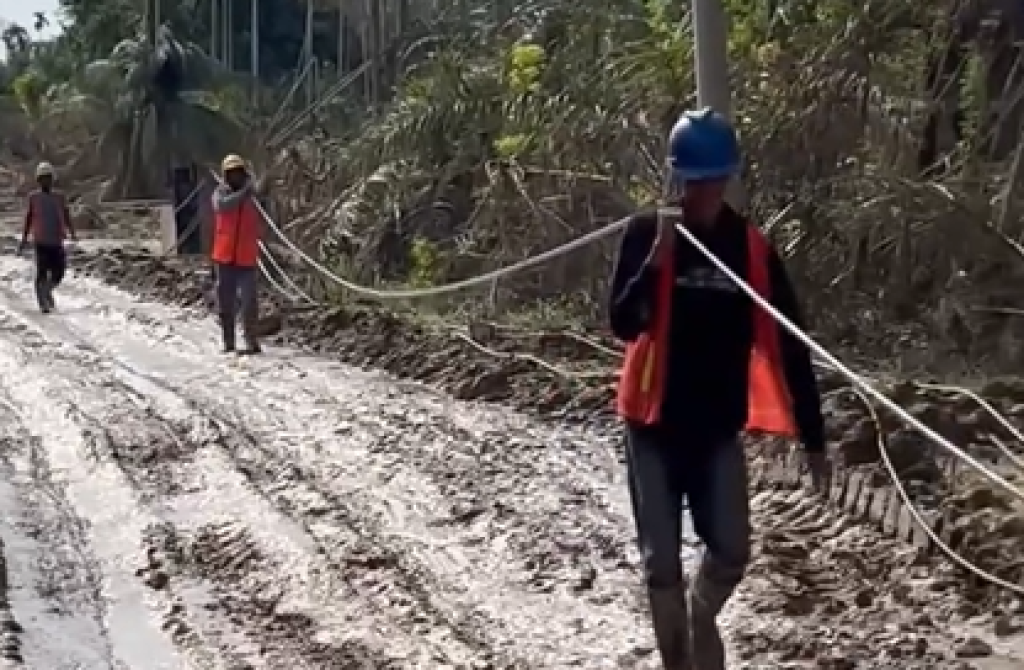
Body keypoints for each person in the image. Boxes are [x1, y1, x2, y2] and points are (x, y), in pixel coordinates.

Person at [609, 108, 829, 670]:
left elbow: (791, 342)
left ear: (728, 178)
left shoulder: (750, 250)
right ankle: (680, 661)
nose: (705, 191)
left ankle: (700, 613)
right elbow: (622, 322)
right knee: (660, 563)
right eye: (695, 180)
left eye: (715, 179)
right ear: (678, 178)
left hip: (715, 431)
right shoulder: (646, 234)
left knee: (732, 551)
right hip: (652, 428)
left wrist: (814, 438)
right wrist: (654, 267)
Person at [211, 153, 263, 354]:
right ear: (225, 175)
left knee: (250, 302)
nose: (235, 177)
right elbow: (224, 206)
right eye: (230, 173)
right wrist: (245, 193)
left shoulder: (254, 195)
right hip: (224, 258)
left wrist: (252, 190)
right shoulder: (219, 194)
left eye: (238, 172)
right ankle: (229, 343)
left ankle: (252, 342)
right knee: (226, 304)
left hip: (246, 257)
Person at [18, 162, 77, 313]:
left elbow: (66, 214)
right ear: (38, 180)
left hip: (56, 240)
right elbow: (29, 218)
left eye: (48, 178)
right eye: (43, 178)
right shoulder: (34, 198)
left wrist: (72, 232)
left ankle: (47, 291)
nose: (46, 181)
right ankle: (43, 302)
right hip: (41, 240)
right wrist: (24, 239)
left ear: (53, 179)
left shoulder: (59, 197)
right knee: (42, 272)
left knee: (59, 272)